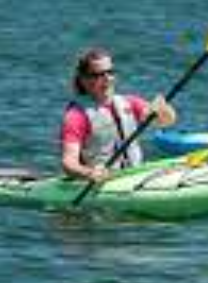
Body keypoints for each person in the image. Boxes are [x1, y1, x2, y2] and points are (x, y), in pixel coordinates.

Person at [61, 47, 176, 182]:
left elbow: (166, 122)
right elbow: (68, 163)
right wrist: (89, 173)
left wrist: (163, 111)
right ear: (83, 80)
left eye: (110, 72)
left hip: (134, 175)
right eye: (98, 74)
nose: (107, 79)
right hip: (99, 182)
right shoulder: (76, 116)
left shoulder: (130, 103)